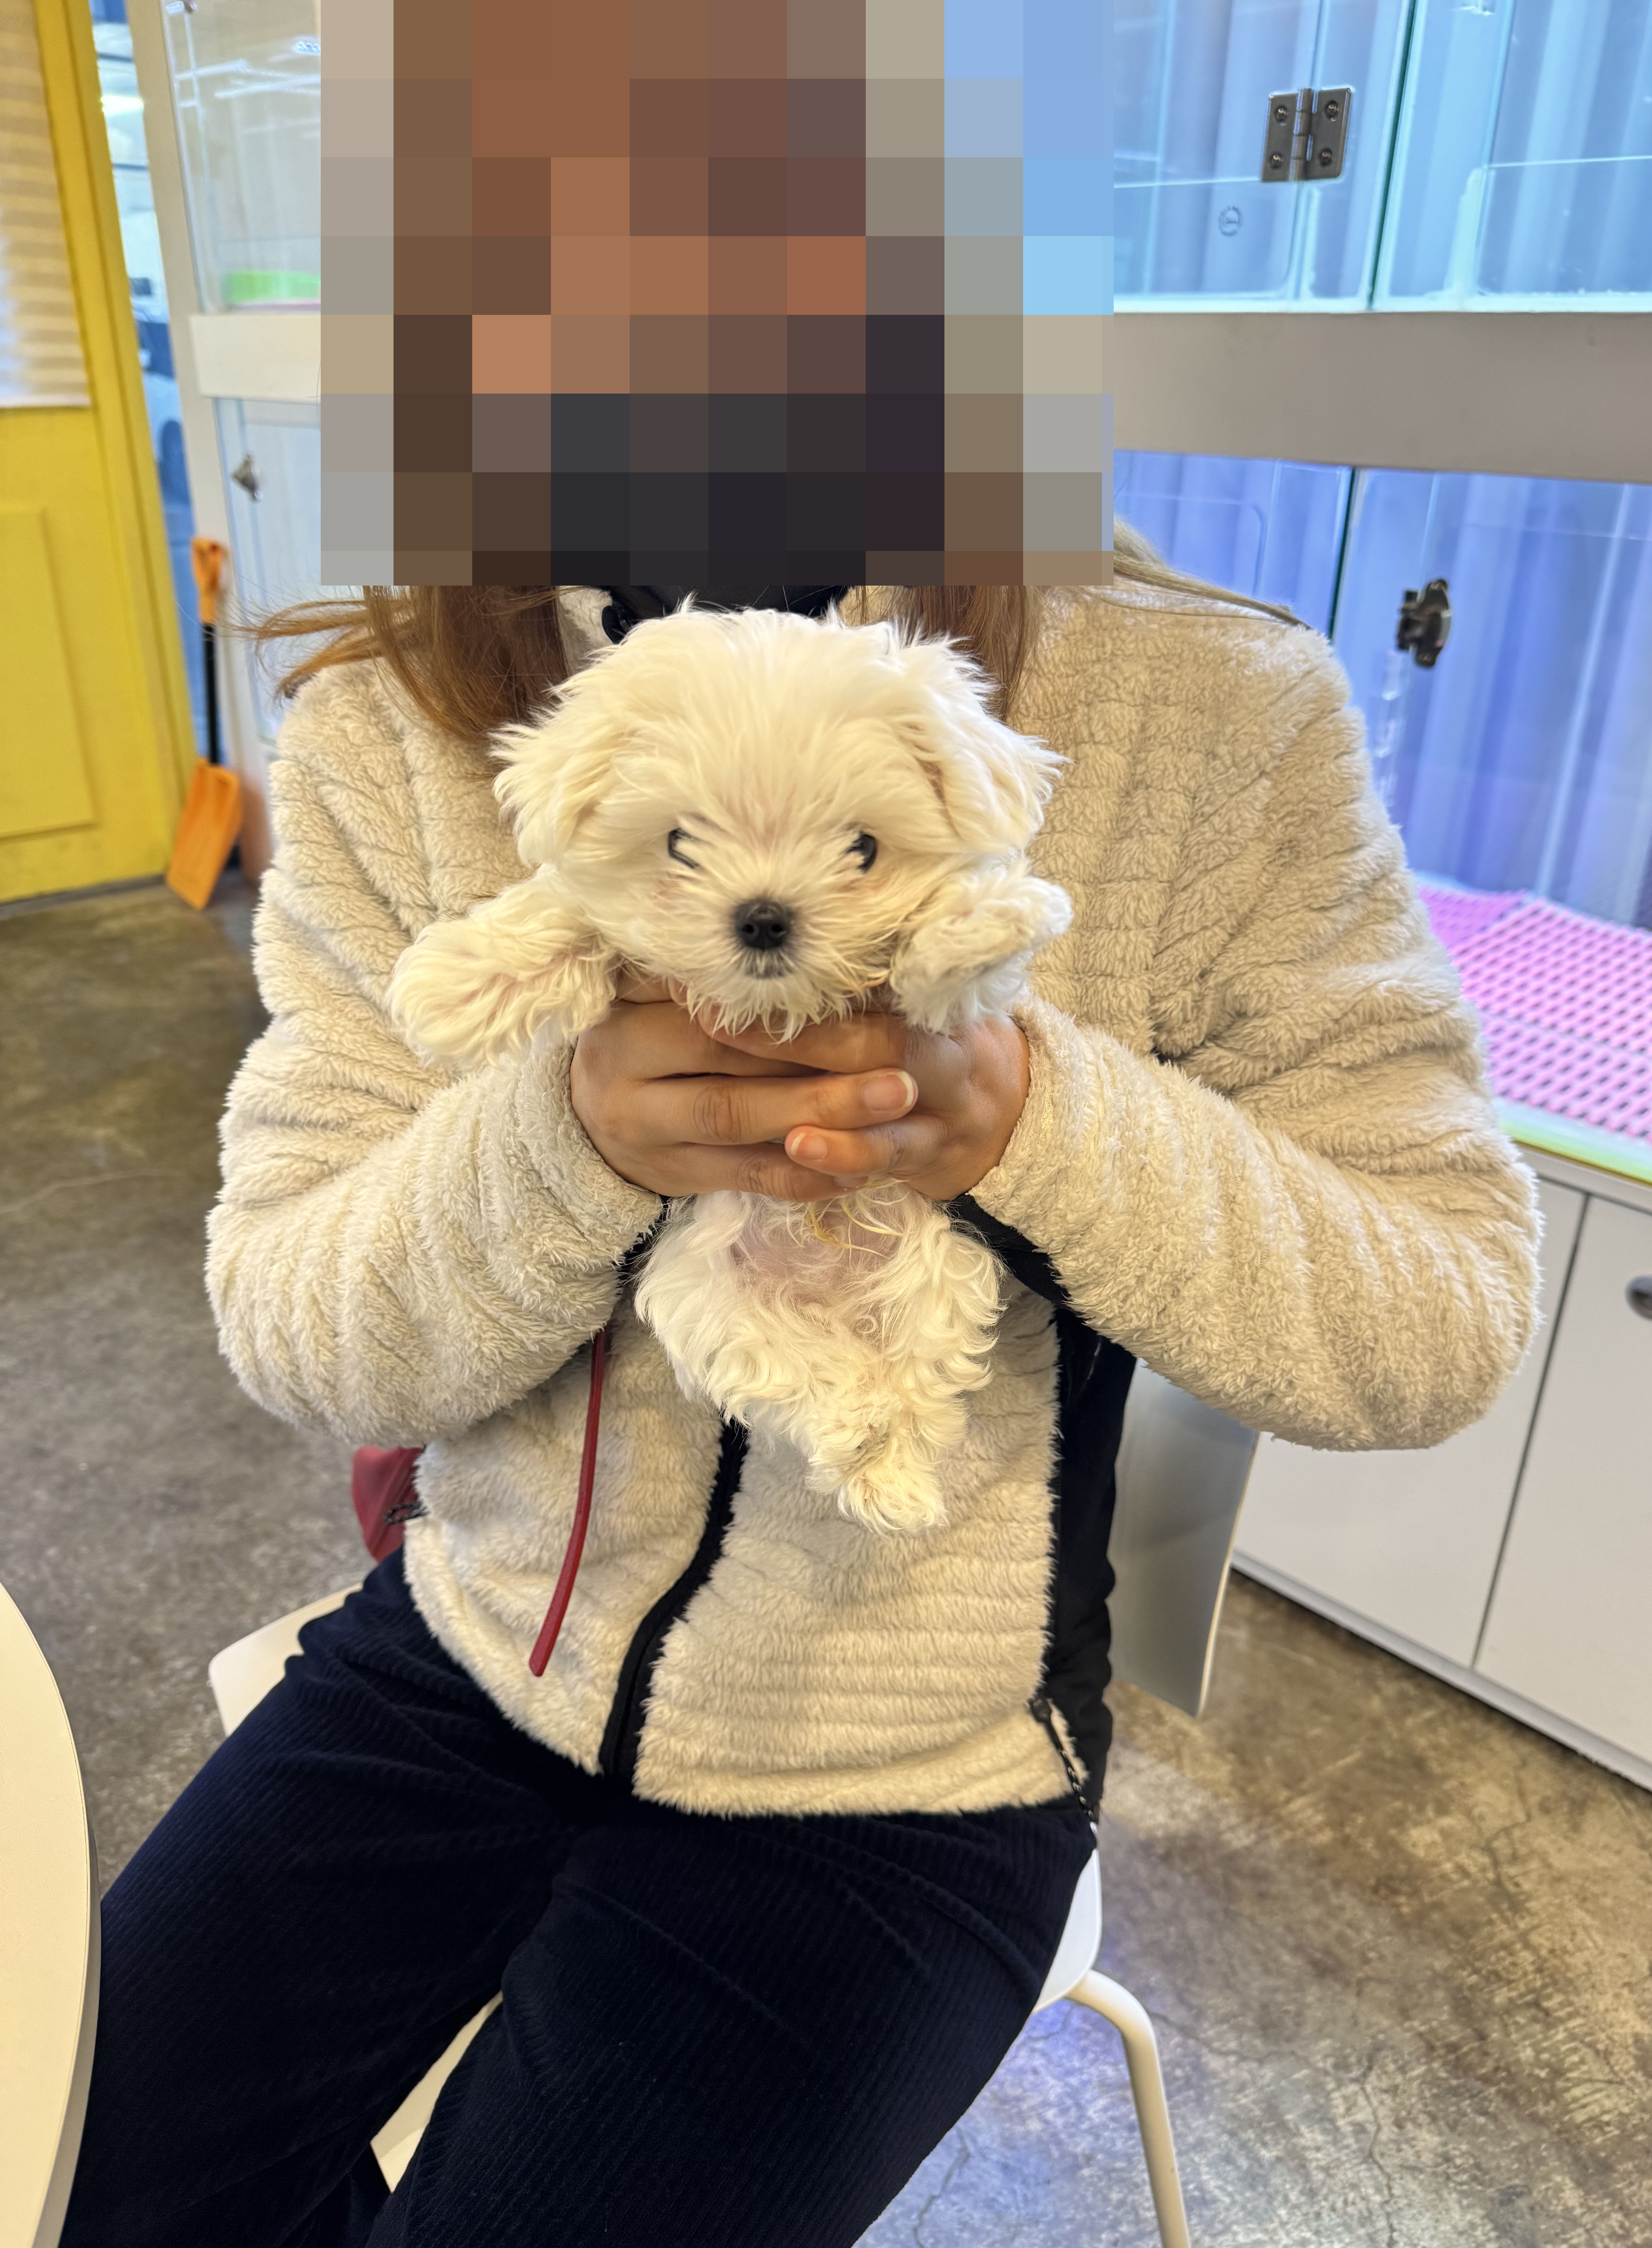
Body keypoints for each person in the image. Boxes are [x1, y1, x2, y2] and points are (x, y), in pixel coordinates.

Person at [63, 550, 1542, 2246]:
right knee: (57, 2175)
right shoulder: (388, 713)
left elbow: (1441, 1314)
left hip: (908, 1767)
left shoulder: (1208, 703)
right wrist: (565, 1140)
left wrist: (1036, 1122)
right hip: (470, 1655)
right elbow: (296, 1333)